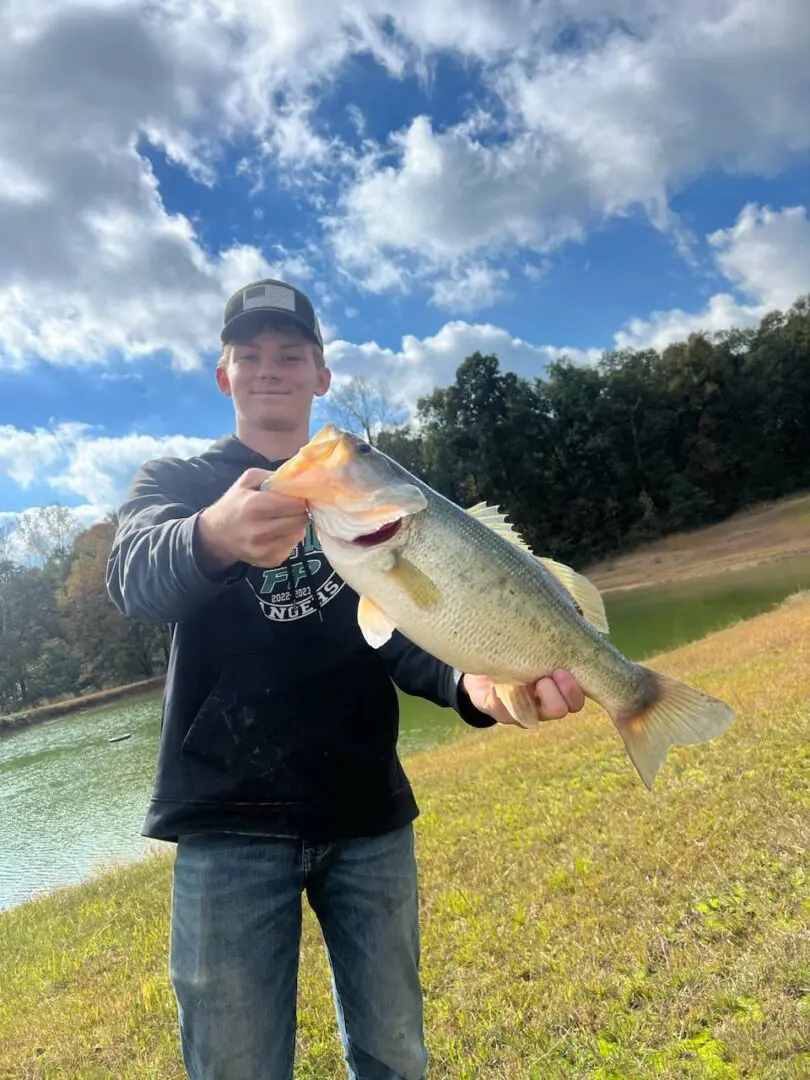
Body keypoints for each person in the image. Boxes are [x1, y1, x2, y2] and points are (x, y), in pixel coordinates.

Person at [106, 278, 585, 1080]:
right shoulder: (176, 484)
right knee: (234, 1065)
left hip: (368, 814)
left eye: (292, 355)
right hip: (226, 820)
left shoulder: (368, 494)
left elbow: (404, 631)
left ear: (321, 377)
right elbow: (132, 577)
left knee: (396, 1054)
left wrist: (477, 687)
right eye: (249, 355)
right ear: (222, 377)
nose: (271, 369)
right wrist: (212, 535)